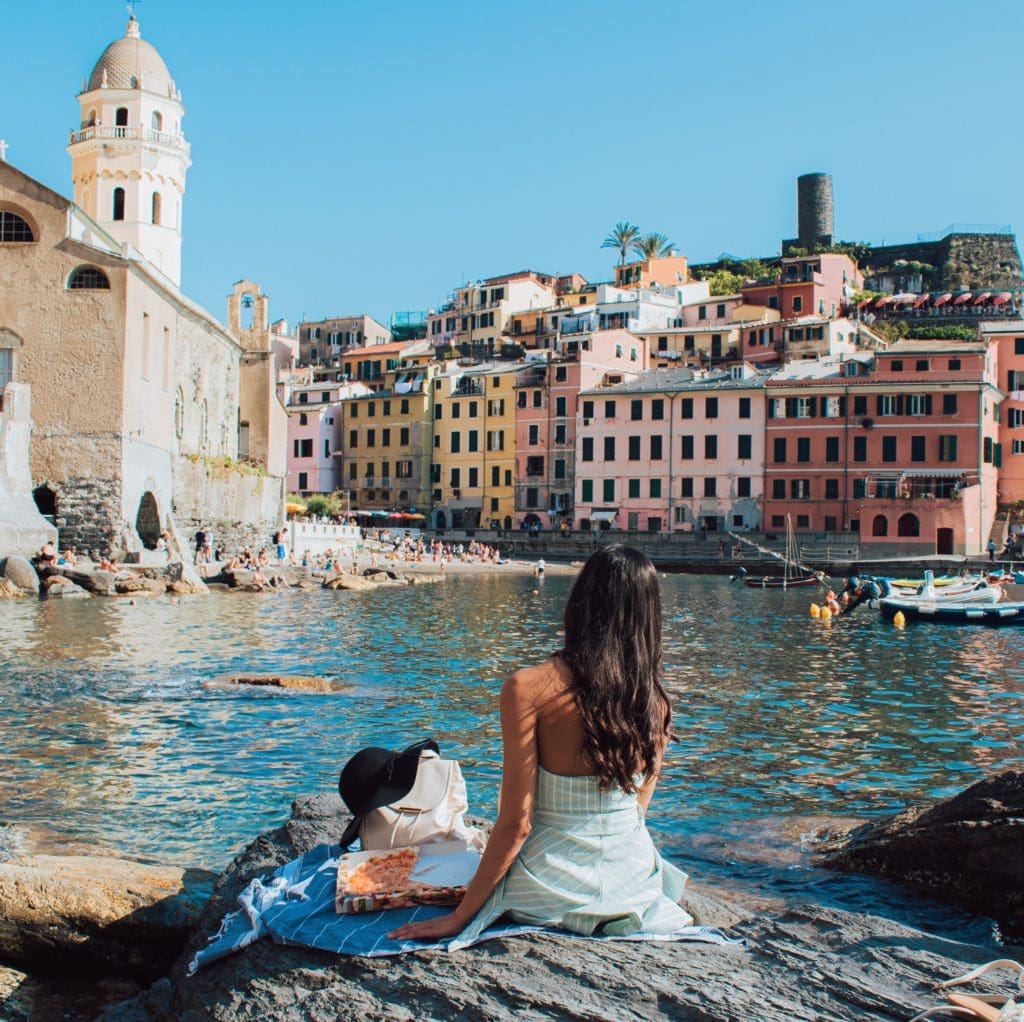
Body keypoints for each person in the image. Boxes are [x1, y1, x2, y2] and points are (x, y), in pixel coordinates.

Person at [390, 544, 694, 947]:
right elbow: (638, 807)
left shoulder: (528, 688)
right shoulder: (655, 701)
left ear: (581, 602)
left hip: (551, 889)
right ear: (650, 617)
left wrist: (462, 916)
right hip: (635, 885)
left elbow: (517, 824)